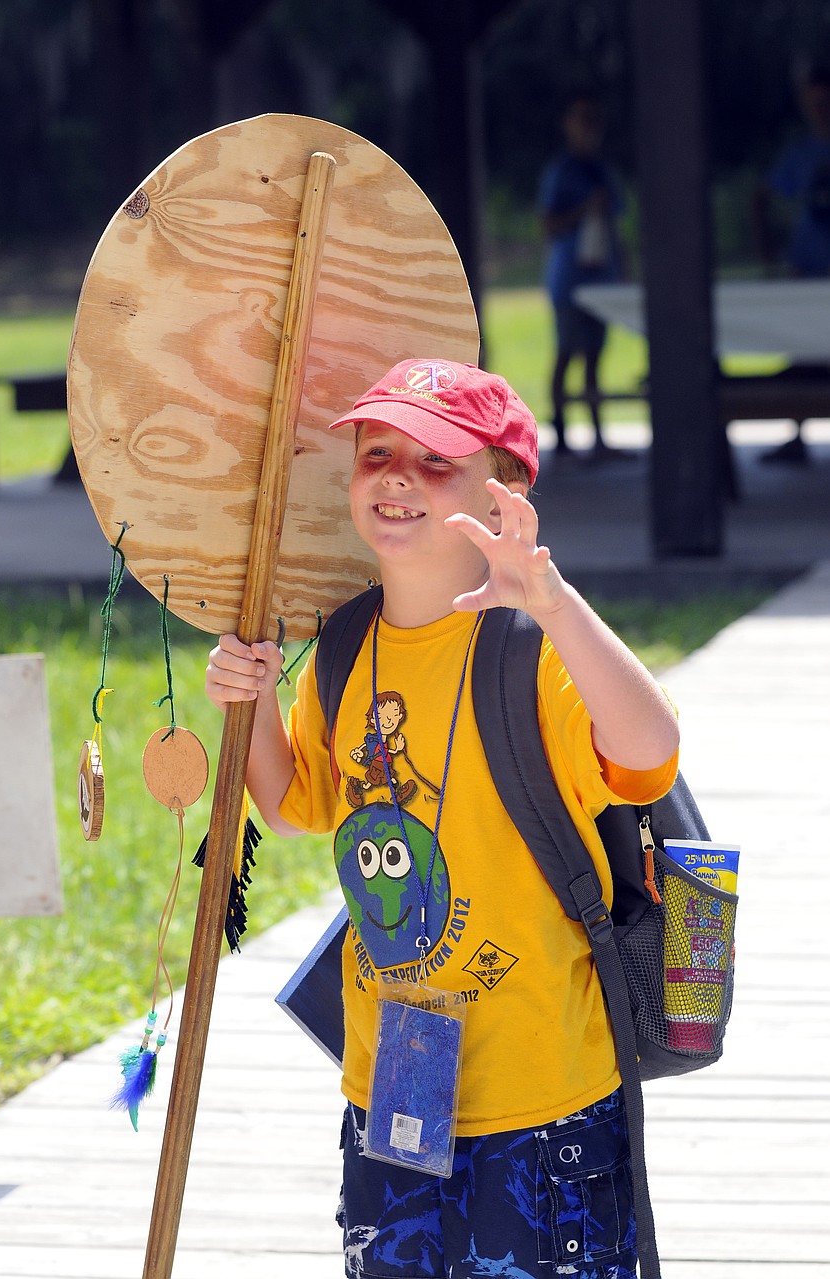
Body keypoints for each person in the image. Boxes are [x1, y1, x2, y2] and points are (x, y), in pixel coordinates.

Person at [205, 358, 680, 1279]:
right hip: (391, 1092)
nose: (396, 475)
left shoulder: (534, 649)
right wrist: (253, 692)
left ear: (504, 493)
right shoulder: (344, 647)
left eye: (436, 461)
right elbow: (294, 804)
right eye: (378, 451)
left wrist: (552, 600)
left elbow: (650, 751)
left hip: (542, 1106)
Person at [537, 91, 624, 460]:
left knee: (594, 356)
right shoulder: (561, 170)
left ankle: (598, 436)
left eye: (594, 118)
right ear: (567, 123)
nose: (589, 126)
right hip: (569, 278)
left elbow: (617, 221)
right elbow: (548, 224)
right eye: (581, 117)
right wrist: (584, 209)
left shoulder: (603, 168)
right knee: (566, 352)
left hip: (601, 277)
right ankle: (560, 434)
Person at [752, 65, 830, 464]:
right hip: (808, 266)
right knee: (801, 351)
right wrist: (768, 248)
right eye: (814, 103)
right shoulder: (801, 154)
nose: (821, 110)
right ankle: (796, 434)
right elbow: (762, 196)